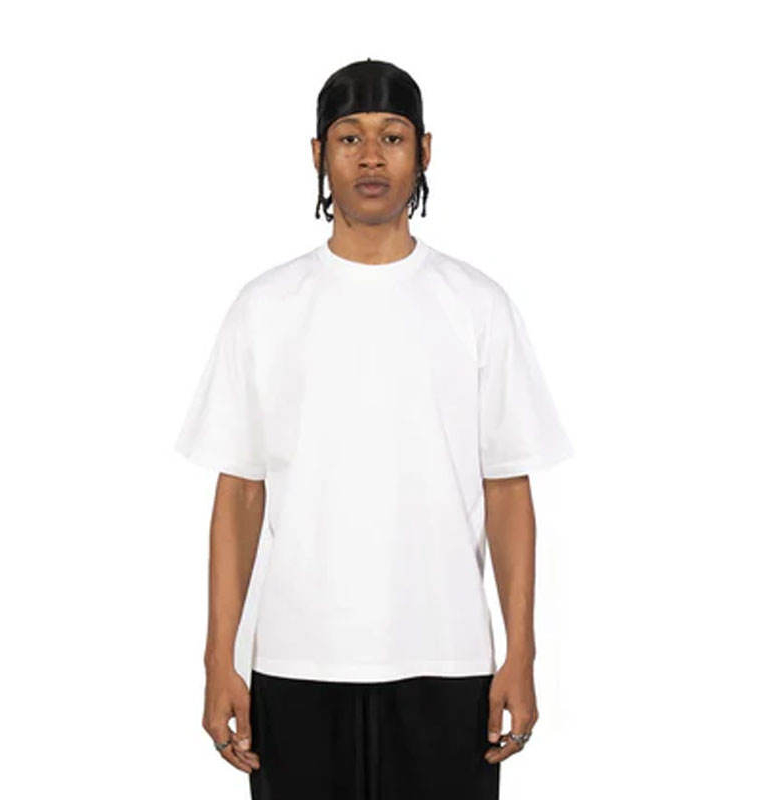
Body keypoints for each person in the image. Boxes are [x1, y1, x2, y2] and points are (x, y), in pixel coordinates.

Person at [175, 58, 573, 800]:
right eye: (348, 137)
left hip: (447, 661)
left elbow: (507, 489)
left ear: (424, 151)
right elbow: (239, 493)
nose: (369, 157)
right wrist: (216, 661)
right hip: (296, 663)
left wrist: (520, 655)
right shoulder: (266, 307)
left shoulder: (477, 306)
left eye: (391, 137)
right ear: (318, 154)